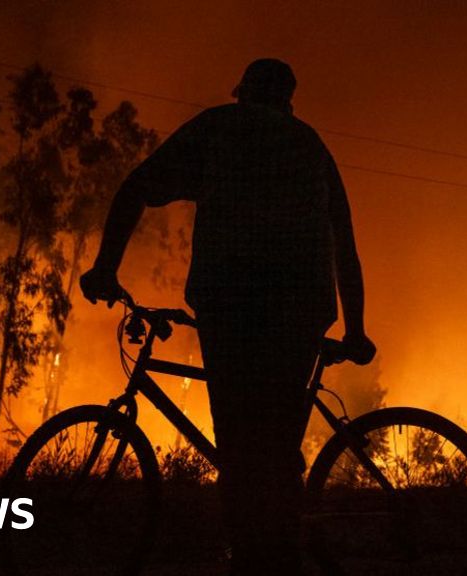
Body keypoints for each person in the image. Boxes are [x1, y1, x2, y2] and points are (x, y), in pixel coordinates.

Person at [80, 58, 375, 575]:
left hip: (233, 301)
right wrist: (354, 329)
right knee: (276, 441)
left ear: (243, 93)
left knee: (239, 442)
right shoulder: (310, 145)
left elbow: (136, 187)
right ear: (288, 100)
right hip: (300, 308)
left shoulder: (218, 127)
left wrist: (105, 268)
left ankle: (250, 557)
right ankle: (279, 554)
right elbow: (344, 244)